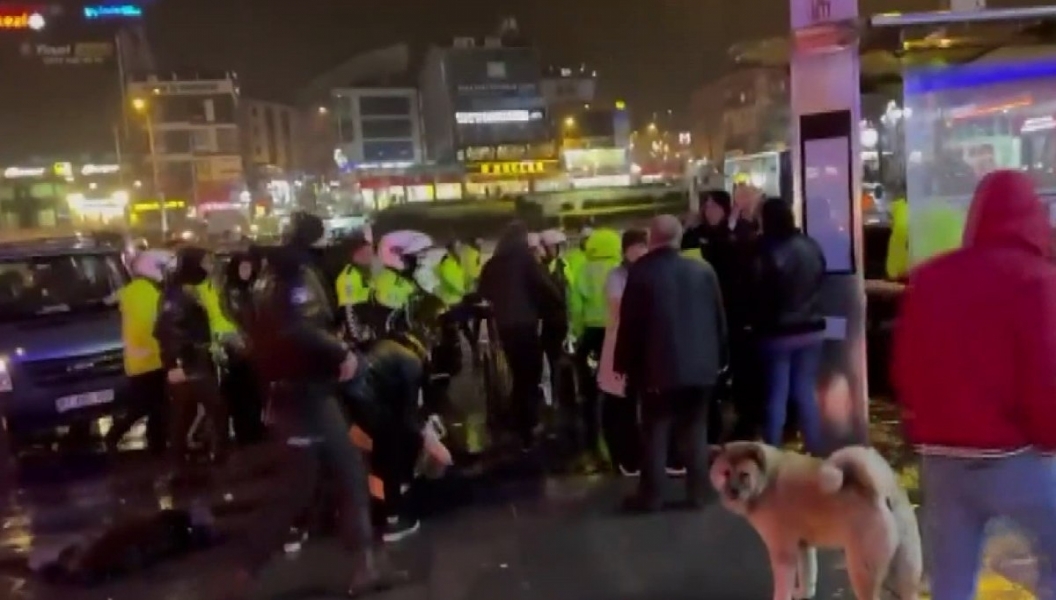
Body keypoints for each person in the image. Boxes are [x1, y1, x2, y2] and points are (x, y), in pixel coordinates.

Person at [892, 170, 1056, 600]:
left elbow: (906, 364)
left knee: (950, 580)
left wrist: (922, 426)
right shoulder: (1036, 279)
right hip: (1012, 459)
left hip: (941, 458)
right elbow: (1046, 375)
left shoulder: (929, 278)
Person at [231, 211, 402, 598]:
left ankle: (246, 569)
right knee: (350, 473)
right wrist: (341, 352)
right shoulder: (295, 274)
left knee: (298, 487)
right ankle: (364, 567)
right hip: (307, 394)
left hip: (288, 391)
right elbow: (298, 328)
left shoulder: (267, 275)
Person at [614, 215, 727, 511]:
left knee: (656, 430)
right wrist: (721, 360)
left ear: (652, 238)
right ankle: (699, 492)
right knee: (696, 429)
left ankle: (652, 495)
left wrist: (623, 364)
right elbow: (718, 318)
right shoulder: (704, 271)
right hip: (701, 366)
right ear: (678, 238)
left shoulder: (641, 272)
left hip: (656, 368)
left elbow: (630, 324)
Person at [478, 221, 564, 449]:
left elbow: (482, 293)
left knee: (519, 374)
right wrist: (551, 307)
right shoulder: (526, 261)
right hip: (526, 325)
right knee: (530, 374)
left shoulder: (492, 264)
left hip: (504, 329)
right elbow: (546, 288)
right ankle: (527, 426)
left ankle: (519, 422)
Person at [752, 198, 827, 454]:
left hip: (778, 332)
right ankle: (816, 450)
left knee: (777, 394)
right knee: (805, 391)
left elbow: (758, 289)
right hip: (812, 328)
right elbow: (820, 278)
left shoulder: (766, 249)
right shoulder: (810, 245)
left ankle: (772, 451)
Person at [154, 246, 230, 468]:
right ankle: (212, 457)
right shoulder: (176, 296)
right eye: (205, 262)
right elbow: (167, 333)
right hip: (190, 363)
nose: (209, 266)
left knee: (188, 412)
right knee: (211, 410)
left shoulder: (189, 291)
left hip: (197, 359)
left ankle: (183, 458)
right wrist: (175, 365)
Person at [107, 249, 172, 455]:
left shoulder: (134, 290)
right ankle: (117, 435)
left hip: (142, 361)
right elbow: (153, 325)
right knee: (147, 406)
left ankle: (156, 444)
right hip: (150, 360)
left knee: (155, 406)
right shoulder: (147, 292)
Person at [596, 228, 648, 477]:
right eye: (635, 246)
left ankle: (639, 454)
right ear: (625, 250)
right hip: (620, 345)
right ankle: (626, 458)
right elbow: (618, 308)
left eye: (643, 246)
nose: (640, 251)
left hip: (644, 346)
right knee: (622, 403)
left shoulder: (648, 272)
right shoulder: (616, 276)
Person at [569, 228, 622, 465]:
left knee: (590, 383)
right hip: (617, 333)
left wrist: (580, 333)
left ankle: (590, 416)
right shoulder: (620, 269)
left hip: (591, 332)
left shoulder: (583, 270)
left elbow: (575, 306)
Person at [220, 249, 266, 446]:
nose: (247, 271)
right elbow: (233, 318)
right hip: (239, 349)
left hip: (254, 346)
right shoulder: (231, 291)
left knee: (254, 390)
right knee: (242, 392)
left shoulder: (251, 288)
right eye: (243, 267)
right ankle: (245, 431)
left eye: (249, 267)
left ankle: (254, 427)